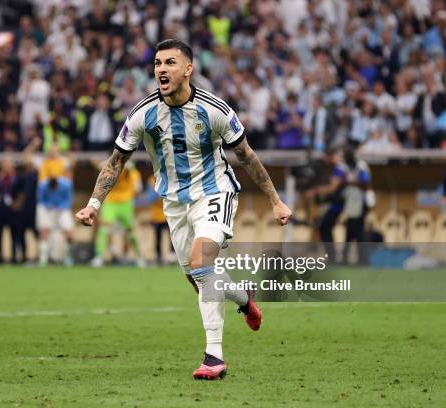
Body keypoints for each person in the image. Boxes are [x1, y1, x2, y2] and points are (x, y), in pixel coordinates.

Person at [76, 39, 291, 380]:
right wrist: (93, 204)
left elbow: (246, 156)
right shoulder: (142, 113)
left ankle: (214, 358)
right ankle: (244, 298)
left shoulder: (216, 110)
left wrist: (276, 200)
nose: (161, 68)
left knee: (200, 262)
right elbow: (117, 161)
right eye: (158, 63)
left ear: (188, 69)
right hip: (175, 203)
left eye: (170, 62)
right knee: (199, 279)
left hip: (215, 192)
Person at [90, 160, 145, 267]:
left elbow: (138, 191)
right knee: (104, 229)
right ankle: (99, 257)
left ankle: (139, 257)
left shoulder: (133, 173)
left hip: (126, 203)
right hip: (111, 202)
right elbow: (100, 169)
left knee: (131, 232)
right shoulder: (111, 169)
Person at [36, 170, 74, 266]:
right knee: (44, 231)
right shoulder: (42, 186)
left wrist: (60, 206)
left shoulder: (66, 185)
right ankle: (43, 259)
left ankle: (67, 257)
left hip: (62, 209)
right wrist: (49, 205)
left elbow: (68, 199)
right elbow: (41, 200)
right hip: (48, 209)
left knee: (68, 231)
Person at [0, 156, 23, 264]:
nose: (6, 167)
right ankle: (0, 256)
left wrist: (17, 204)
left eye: (8, 164)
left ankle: (14, 257)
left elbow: (21, 192)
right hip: (1, 209)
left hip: (13, 210)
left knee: (14, 234)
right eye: (4, 165)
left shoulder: (17, 178)